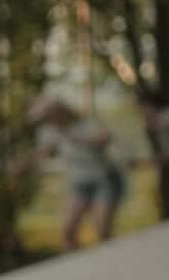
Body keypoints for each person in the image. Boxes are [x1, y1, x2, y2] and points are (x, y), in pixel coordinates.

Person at [28, 94, 127, 249]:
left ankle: (114, 263)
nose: (48, 120)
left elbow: (104, 138)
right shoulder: (49, 131)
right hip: (80, 183)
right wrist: (24, 164)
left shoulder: (85, 123)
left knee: (102, 230)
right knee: (68, 232)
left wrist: (81, 140)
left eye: (48, 115)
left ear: (59, 111)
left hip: (105, 178)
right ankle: (83, 268)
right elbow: (44, 152)